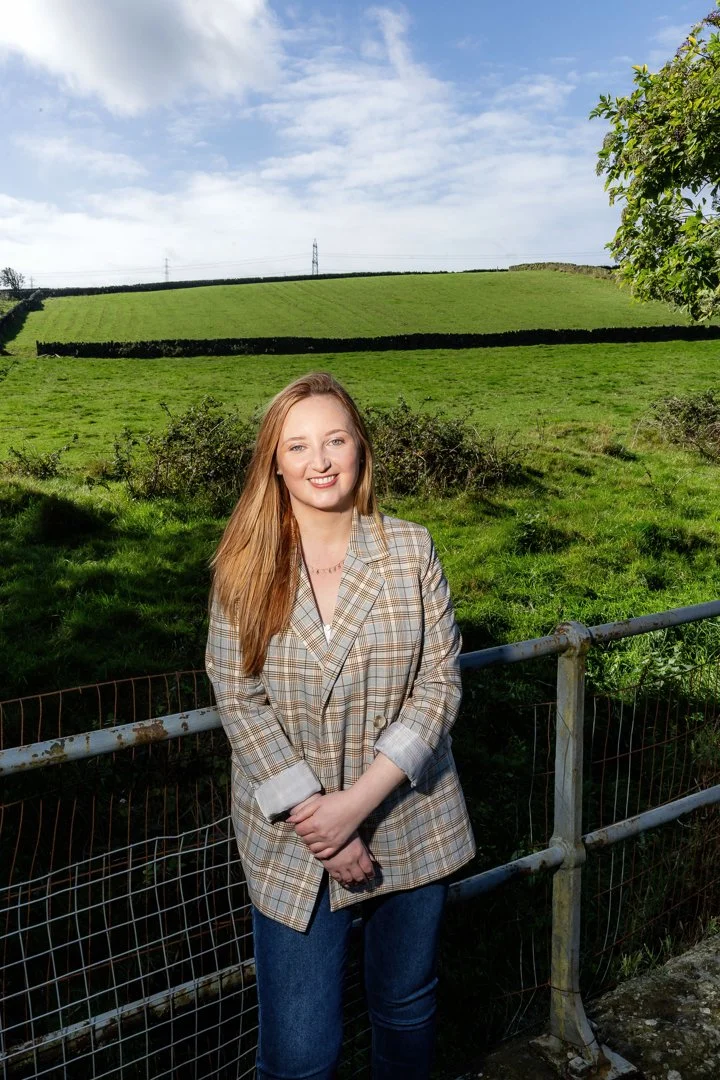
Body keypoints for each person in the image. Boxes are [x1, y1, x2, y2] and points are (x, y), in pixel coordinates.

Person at [206, 372, 475, 1080]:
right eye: (298, 446)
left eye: (335, 440)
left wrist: (354, 807)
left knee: (406, 1010)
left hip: (407, 816)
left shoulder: (410, 550)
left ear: (361, 448)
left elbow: (439, 682)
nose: (320, 462)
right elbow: (237, 696)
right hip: (294, 838)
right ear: (274, 462)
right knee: (299, 1055)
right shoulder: (243, 564)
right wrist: (317, 819)